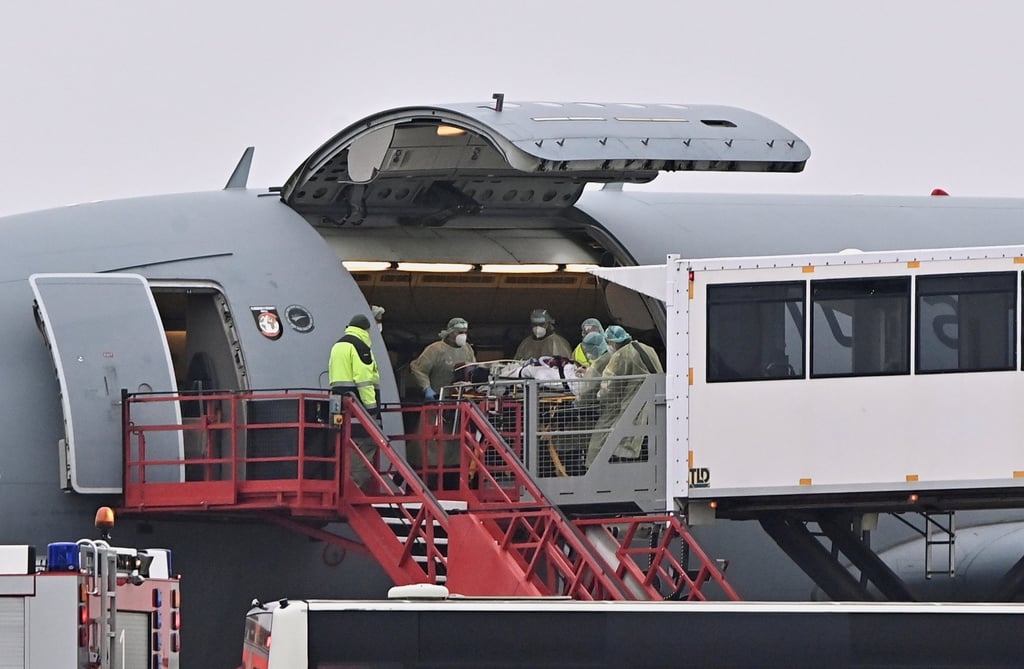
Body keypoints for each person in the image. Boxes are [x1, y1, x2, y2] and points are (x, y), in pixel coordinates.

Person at [408, 318, 476, 488]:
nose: (462, 336)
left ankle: (453, 482)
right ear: (450, 332)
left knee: (456, 447)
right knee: (432, 446)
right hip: (436, 406)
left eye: (464, 332)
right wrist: (427, 388)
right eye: (458, 332)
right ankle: (428, 482)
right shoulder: (435, 350)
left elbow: (473, 369)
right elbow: (418, 368)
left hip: (458, 406)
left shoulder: (467, 350)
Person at [585, 325, 664, 467]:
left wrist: (599, 398)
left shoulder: (620, 355)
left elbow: (609, 386)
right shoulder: (648, 349)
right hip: (657, 404)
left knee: (612, 440)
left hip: (633, 407)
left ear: (613, 342)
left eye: (609, 343)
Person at [328, 314, 381, 487]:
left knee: (344, 445)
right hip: (359, 407)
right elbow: (364, 380)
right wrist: (372, 409)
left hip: (340, 404)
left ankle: (342, 484)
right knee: (365, 445)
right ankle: (356, 486)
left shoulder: (338, 345)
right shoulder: (360, 346)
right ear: (366, 329)